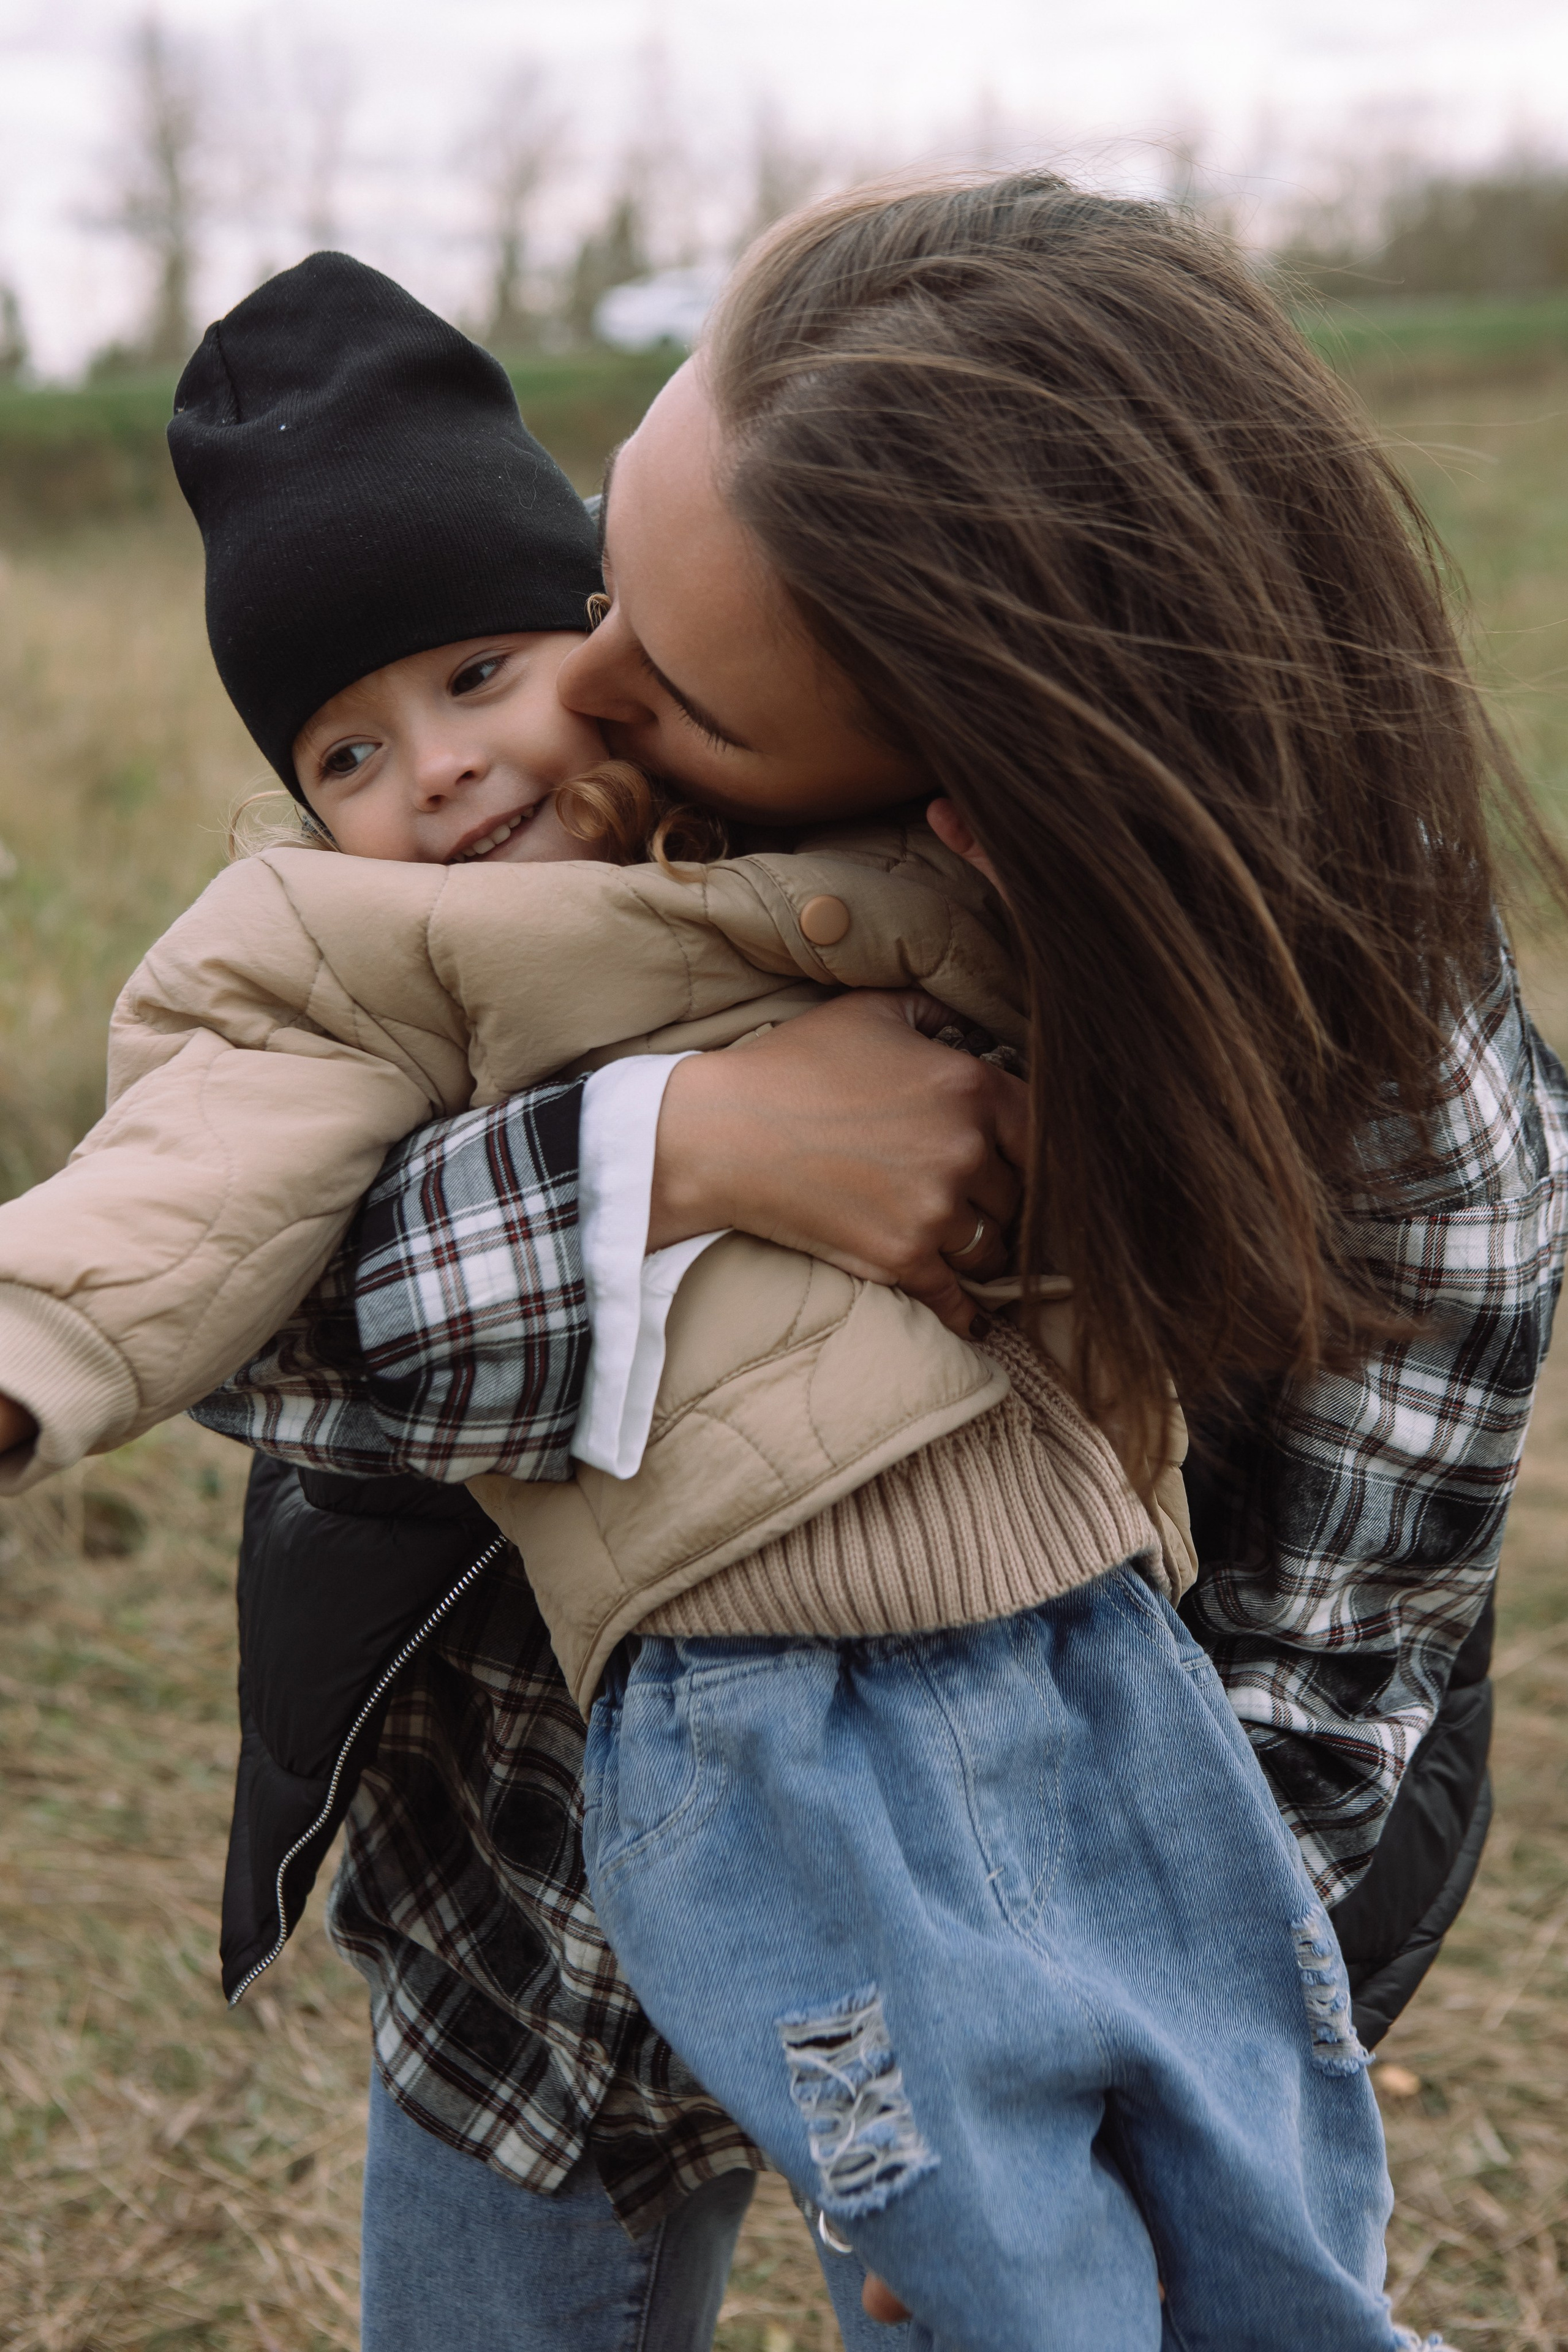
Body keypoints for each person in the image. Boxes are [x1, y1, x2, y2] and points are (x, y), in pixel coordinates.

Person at [2, 176, 1562, 2344]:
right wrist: (678, 1152)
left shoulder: (1386, 1080)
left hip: (1047, 1853)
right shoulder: (480, 889)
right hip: (533, 1906)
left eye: (643, 683)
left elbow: (1333, 1684)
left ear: (971, 786)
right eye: (604, 573)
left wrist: (1071, 2036)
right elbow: (239, 1277)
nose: (568, 717)